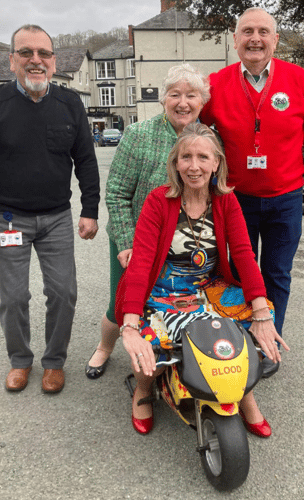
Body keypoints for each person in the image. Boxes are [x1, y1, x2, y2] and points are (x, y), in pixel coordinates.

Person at [116, 123, 290, 437]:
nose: (194, 166)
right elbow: (141, 262)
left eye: (202, 157)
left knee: (251, 321)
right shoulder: (159, 201)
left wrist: (262, 314)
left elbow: (244, 255)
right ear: (175, 163)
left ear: (216, 163)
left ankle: (243, 395)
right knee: (150, 343)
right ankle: (144, 390)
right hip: (163, 288)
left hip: (206, 288)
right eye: (186, 157)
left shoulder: (225, 200)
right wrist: (129, 323)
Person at [200, 8, 304, 375]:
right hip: (235, 199)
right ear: (235, 40)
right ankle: (240, 340)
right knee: (237, 273)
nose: (255, 38)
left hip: (286, 199)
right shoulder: (218, 83)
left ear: (276, 40)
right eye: (247, 31)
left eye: (263, 31)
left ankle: (269, 343)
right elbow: (194, 129)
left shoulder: (299, 80)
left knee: (276, 274)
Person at [0, 24, 100, 394]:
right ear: (12, 61)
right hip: (8, 217)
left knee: (64, 293)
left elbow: (86, 161)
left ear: (54, 62)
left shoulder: (69, 103)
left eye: (43, 53)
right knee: (12, 297)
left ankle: (54, 361)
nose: (35, 60)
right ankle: (20, 360)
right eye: (26, 53)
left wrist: (90, 209)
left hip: (57, 217)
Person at [85, 64, 210, 379]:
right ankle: (104, 347)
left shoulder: (209, 138)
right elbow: (116, 194)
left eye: (191, 95)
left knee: (179, 303)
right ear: (163, 99)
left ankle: (177, 362)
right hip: (136, 239)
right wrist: (127, 244)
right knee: (123, 305)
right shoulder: (138, 134)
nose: (183, 102)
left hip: (184, 241)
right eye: (175, 94)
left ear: (202, 101)